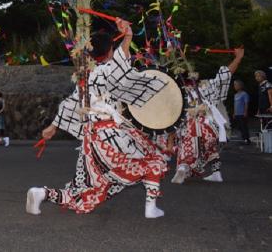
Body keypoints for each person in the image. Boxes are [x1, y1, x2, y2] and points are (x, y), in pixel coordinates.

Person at [26, 19, 170, 219]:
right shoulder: (110, 70)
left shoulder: (86, 76)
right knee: (154, 161)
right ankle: (150, 207)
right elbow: (121, 61)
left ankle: (41, 193)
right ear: (110, 51)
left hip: (91, 140)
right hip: (112, 136)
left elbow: (70, 103)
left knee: (86, 188)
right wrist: (127, 35)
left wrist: (53, 126)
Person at [171, 48, 244, 184]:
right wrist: (238, 58)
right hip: (209, 126)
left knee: (187, 149)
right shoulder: (208, 86)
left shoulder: (182, 92)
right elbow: (226, 75)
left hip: (191, 126)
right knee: (210, 148)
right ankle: (217, 173)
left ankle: (182, 168)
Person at [232, 80, 251, 144]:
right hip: (237, 113)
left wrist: (245, 112)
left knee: (244, 126)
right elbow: (235, 104)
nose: (234, 86)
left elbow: (246, 103)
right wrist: (234, 113)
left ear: (240, 86)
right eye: (234, 85)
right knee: (239, 127)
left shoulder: (244, 94)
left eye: (236, 85)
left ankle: (247, 139)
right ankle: (244, 138)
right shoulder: (236, 95)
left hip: (242, 113)